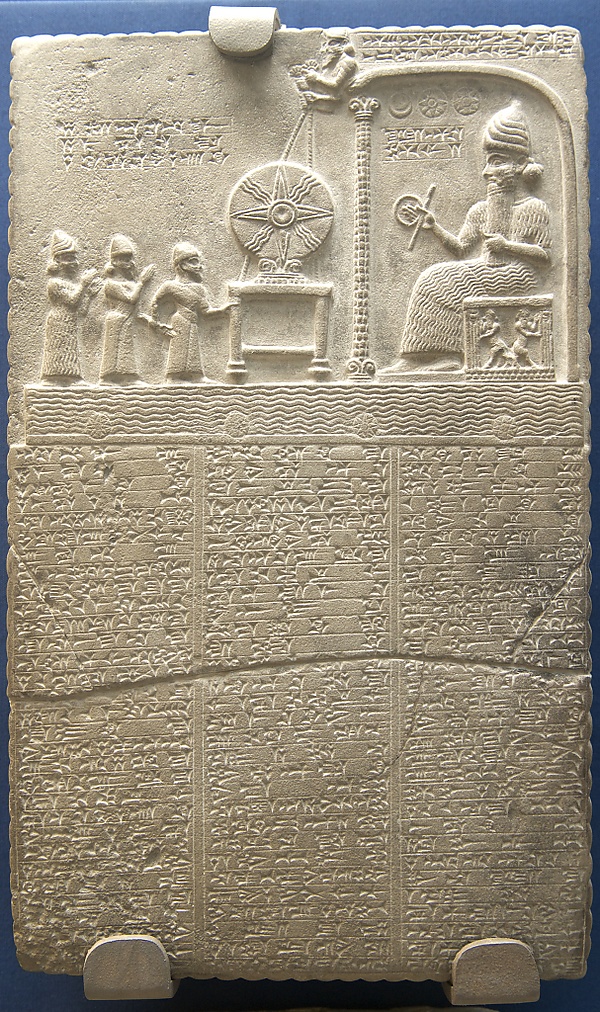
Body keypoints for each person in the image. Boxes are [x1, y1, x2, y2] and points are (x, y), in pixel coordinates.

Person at [384, 101, 551, 372]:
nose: (487, 172)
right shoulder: (481, 210)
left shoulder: (534, 208)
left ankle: (450, 357)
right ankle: (417, 357)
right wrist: (434, 227)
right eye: (487, 163)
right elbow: (461, 249)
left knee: (450, 282)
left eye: (497, 162)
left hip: (520, 274)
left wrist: (507, 246)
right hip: (487, 269)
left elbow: (544, 258)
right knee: (430, 277)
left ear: (520, 164)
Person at [150, 243, 226, 382]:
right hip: (179, 321)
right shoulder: (170, 286)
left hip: (192, 322)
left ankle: (197, 376)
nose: (199, 266)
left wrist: (223, 310)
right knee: (179, 350)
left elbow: (206, 311)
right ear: (183, 265)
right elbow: (155, 302)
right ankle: (173, 377)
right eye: (194, 262)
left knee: (192, 351)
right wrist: (157, 324)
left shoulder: (199, 289)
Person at [40, 231, 100, 383]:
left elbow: (81, 312)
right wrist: (84, 284)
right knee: (58, 350)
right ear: (58, 260)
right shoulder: (54, 283)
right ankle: (52, 379)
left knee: (69, 350)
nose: (75, 263)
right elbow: (72, 301)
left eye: (75, 258)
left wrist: (89, 295)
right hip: (58, 321)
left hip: (69, 322)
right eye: (69, 258)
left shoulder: (71, 285)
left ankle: (71, 377)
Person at [100, 234, 155, 383]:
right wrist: (142, 282)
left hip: (127, 319)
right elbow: (131, 299)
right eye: (125, 259)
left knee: (125, 349)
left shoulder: (131, 283)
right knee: (115, 351)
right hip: (117, 320)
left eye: (130, 259)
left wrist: (150, 320)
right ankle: (108, 379)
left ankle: (128, 377)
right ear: (115, 261)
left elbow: (135, 311)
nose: (130, 263)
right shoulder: (111, 284)